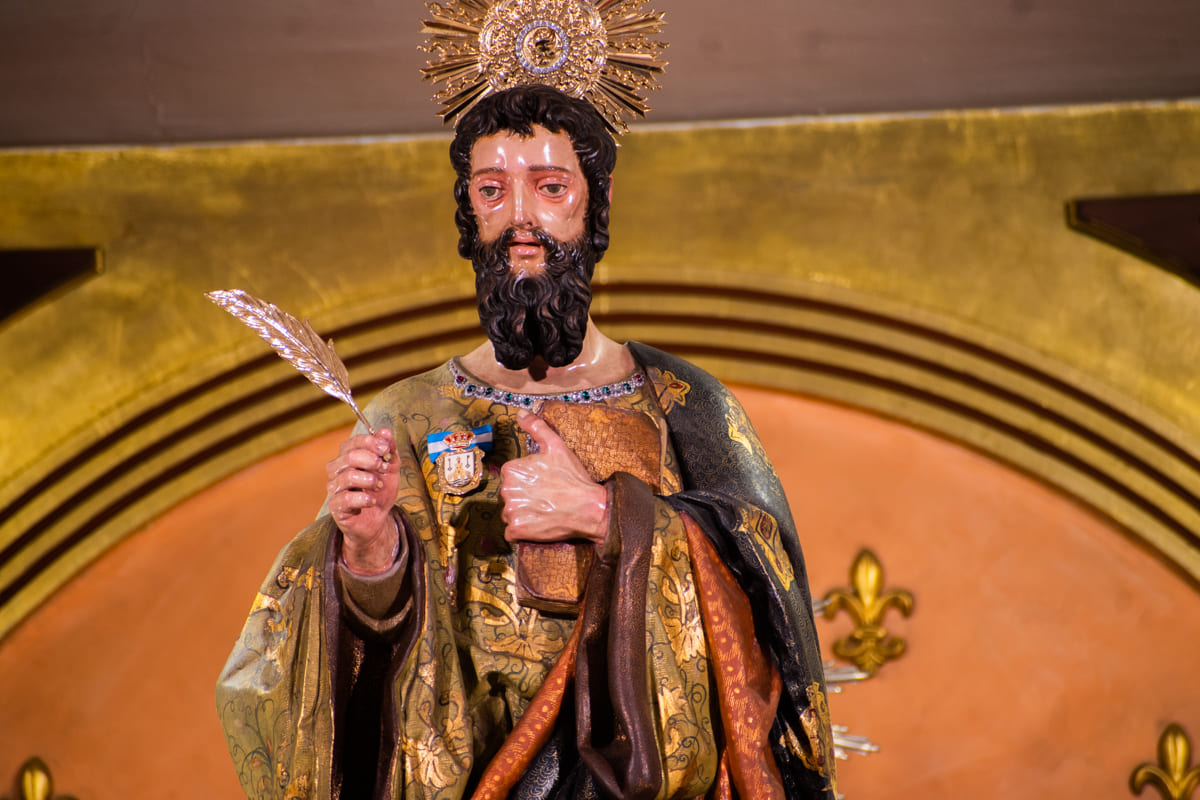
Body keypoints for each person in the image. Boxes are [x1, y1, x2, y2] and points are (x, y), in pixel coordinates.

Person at [217, 84, 835, 800]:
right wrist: (368, 557)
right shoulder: (407, 416)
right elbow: (349, 679)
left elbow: (769, 591)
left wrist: (606, 515)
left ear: (596, 202)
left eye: (549, 187)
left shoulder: (685, 402)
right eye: (492, 190)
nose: (519, 218)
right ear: (467, 210)